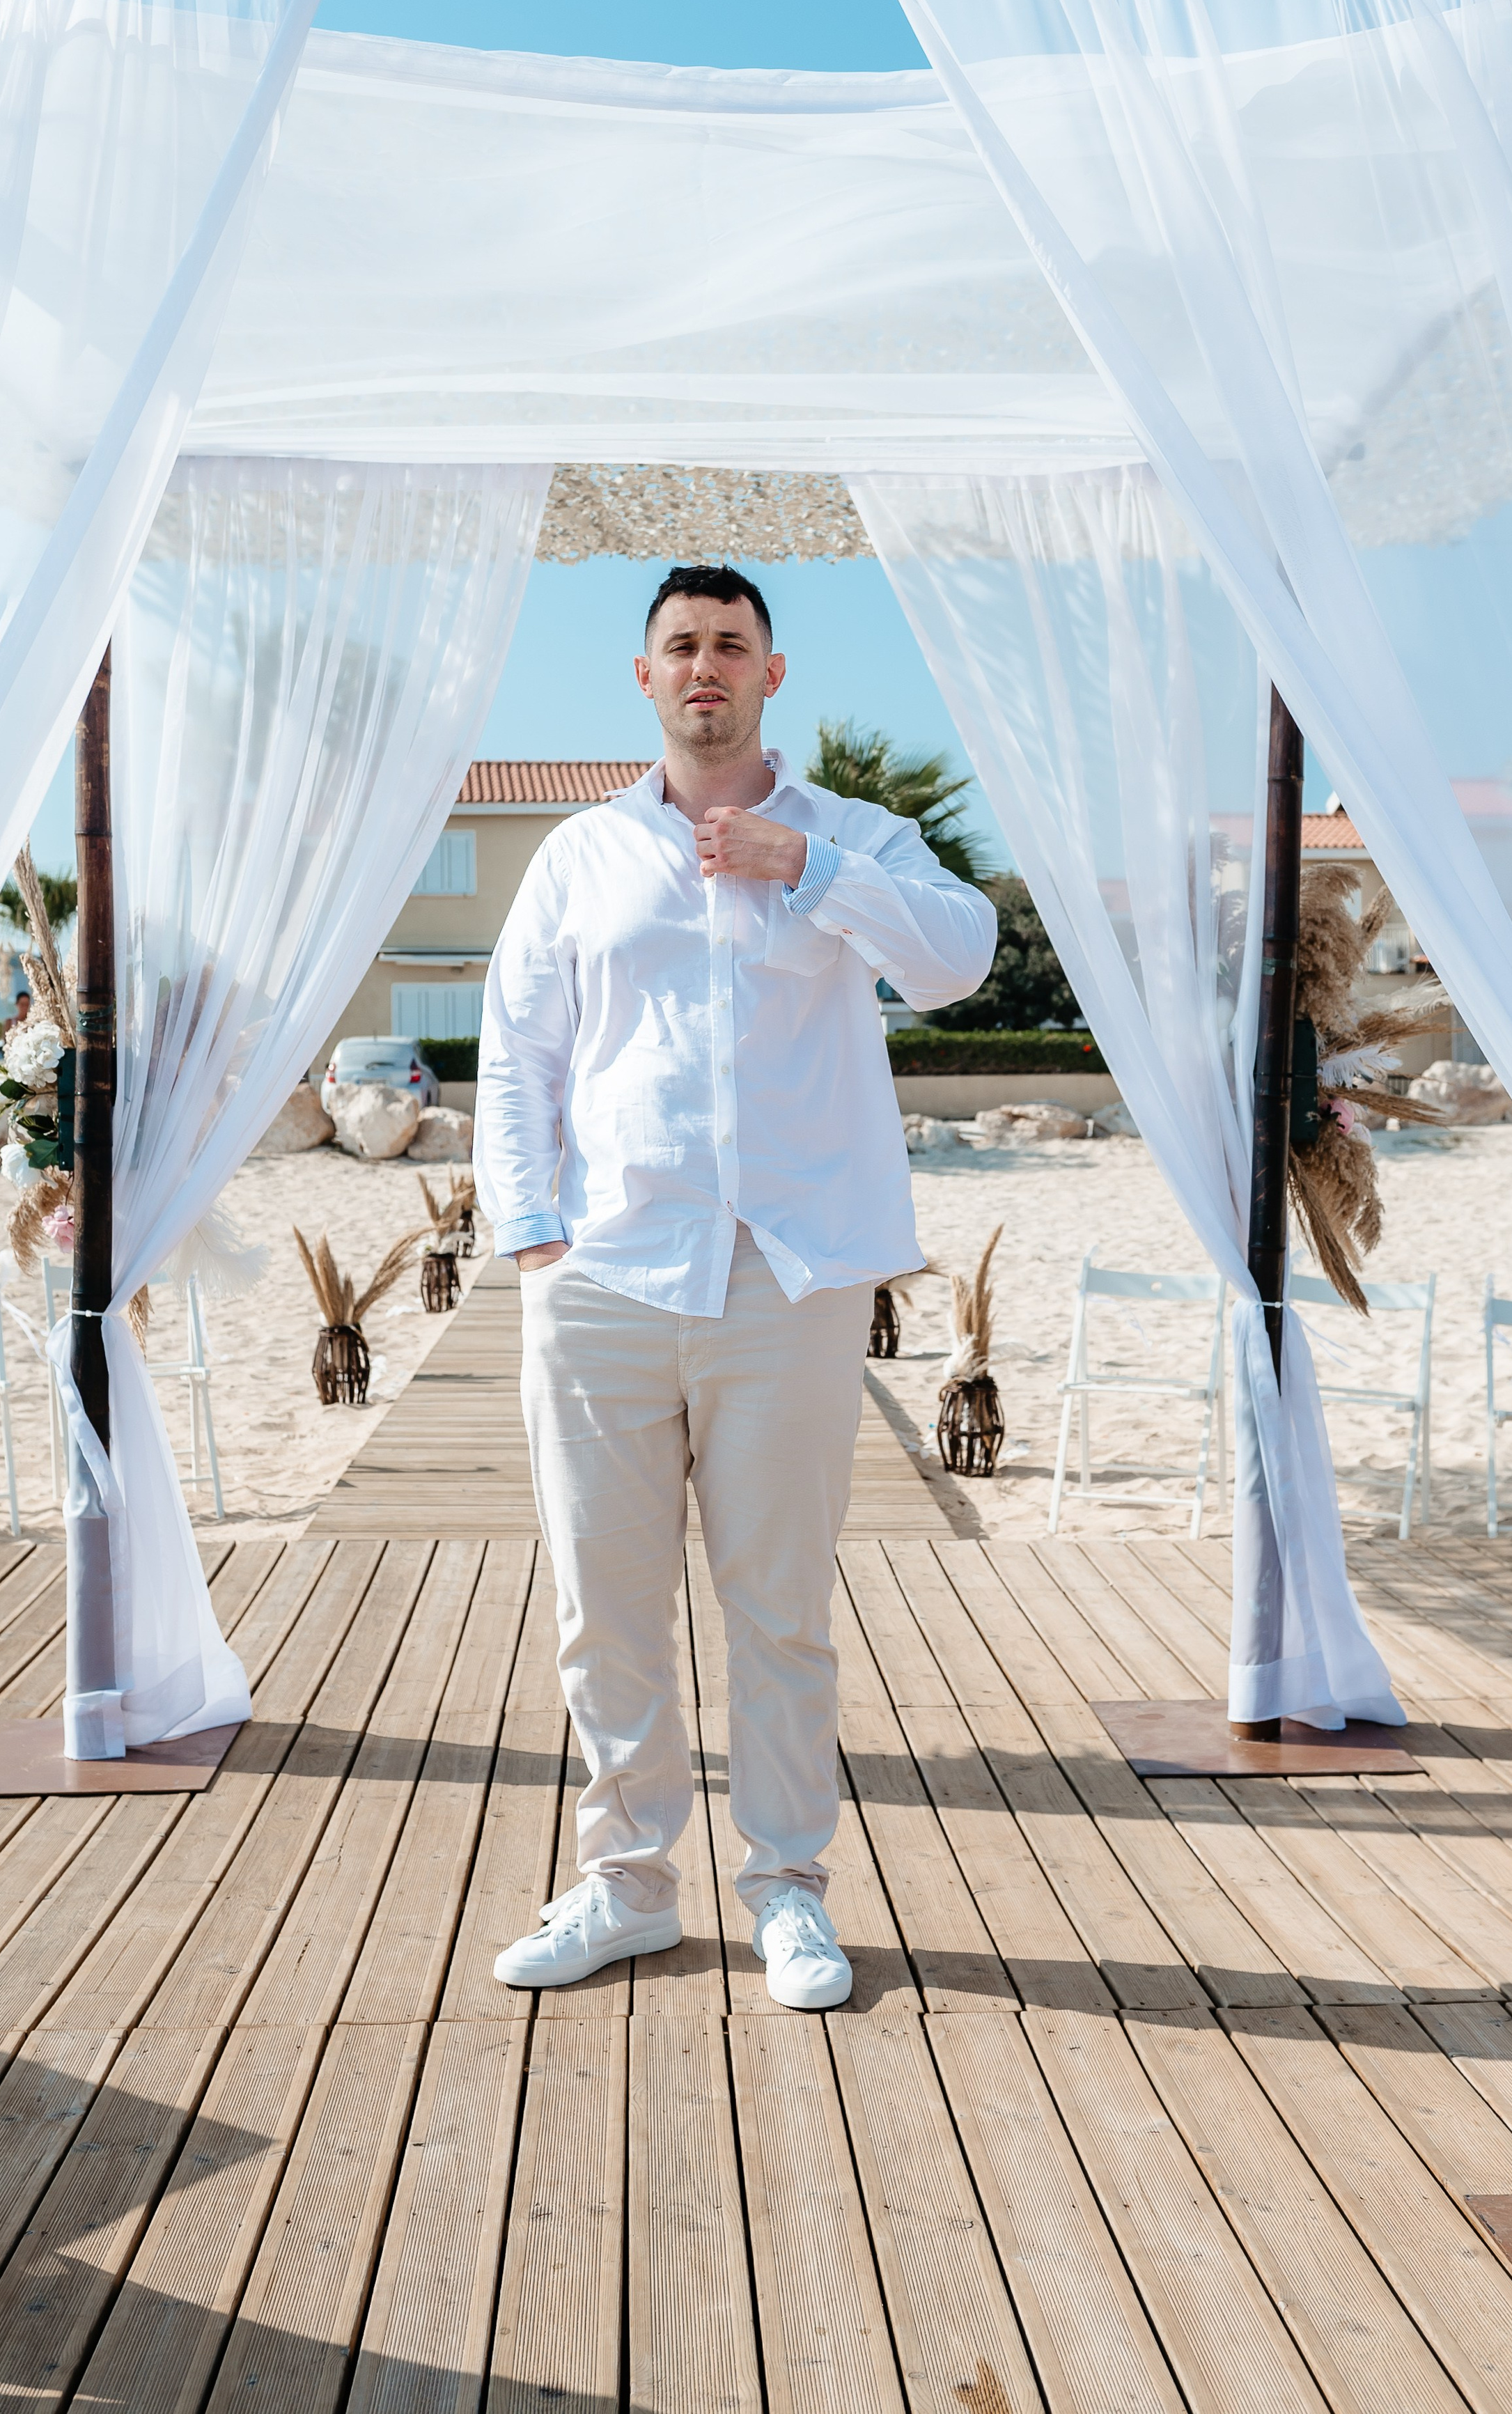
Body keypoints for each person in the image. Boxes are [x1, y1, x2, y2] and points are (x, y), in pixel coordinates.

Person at [474, 562, 995, 2007]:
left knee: (777, 1603)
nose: (704, 663)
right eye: (679, 644)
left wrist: (805, 868)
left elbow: (958, 962)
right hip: (604, 1275)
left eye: (730, 643)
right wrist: (529, 1232)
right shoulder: (578, 852)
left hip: (792, 1276)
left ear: (773, 673)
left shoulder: (858, 837)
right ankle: (626, 1882)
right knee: (605, 1601)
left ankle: (785, 1890)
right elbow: (515, 1050)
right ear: (644, 678)